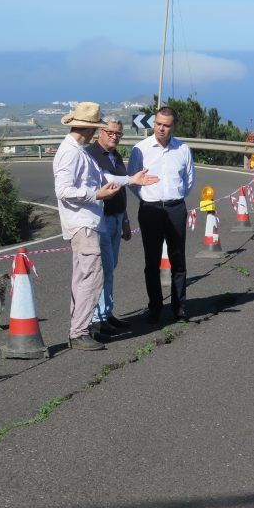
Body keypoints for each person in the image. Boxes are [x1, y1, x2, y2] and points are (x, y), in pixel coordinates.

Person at [53, 102, 158, 351]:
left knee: (86, 277)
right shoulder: (70, 152)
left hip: (88, 222)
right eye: (96, 129)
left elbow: (103, 177)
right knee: (90, 277)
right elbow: (64, 190)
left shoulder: (78, 150)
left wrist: (130, 179)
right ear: (89, 129)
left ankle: (80, 328)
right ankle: (79, 332)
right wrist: (96, 195)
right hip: (83, 223)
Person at [128, 106, 195, 323]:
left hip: (176, 208)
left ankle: (180, 307)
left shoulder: (183, 149)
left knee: (178, 260)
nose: (161, 129)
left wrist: (175, 197)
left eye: (166, 125)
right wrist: (148, 197)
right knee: (152, 261)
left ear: (173, 126)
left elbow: (189, 179)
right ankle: (155, 306)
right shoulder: (140, 149)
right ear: (153, 123)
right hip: (151, 209)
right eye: (158, 124)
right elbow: (132, 180)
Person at [87, 117, 131, 338]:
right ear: (100, 132)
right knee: (101, 269)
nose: (115, 137)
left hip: (117, 216)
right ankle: (96, 320)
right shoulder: (91, 155)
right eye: (111, 132)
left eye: (118, 134)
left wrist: (125, 220)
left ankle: (106, 313)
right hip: (100, 219)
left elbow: (121, 188)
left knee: (110, 268)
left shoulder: (115, 156)